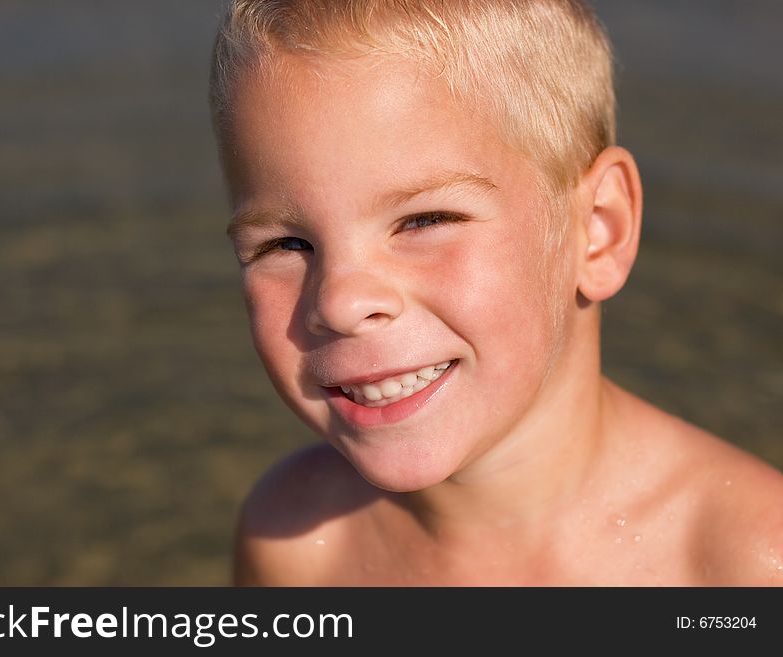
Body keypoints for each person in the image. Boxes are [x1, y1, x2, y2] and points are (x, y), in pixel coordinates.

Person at [208, 0, 783, 585]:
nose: (341, 302)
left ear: (599, 231)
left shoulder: (746, 566)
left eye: (423, 221)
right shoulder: (296, 543)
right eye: (285, 245)